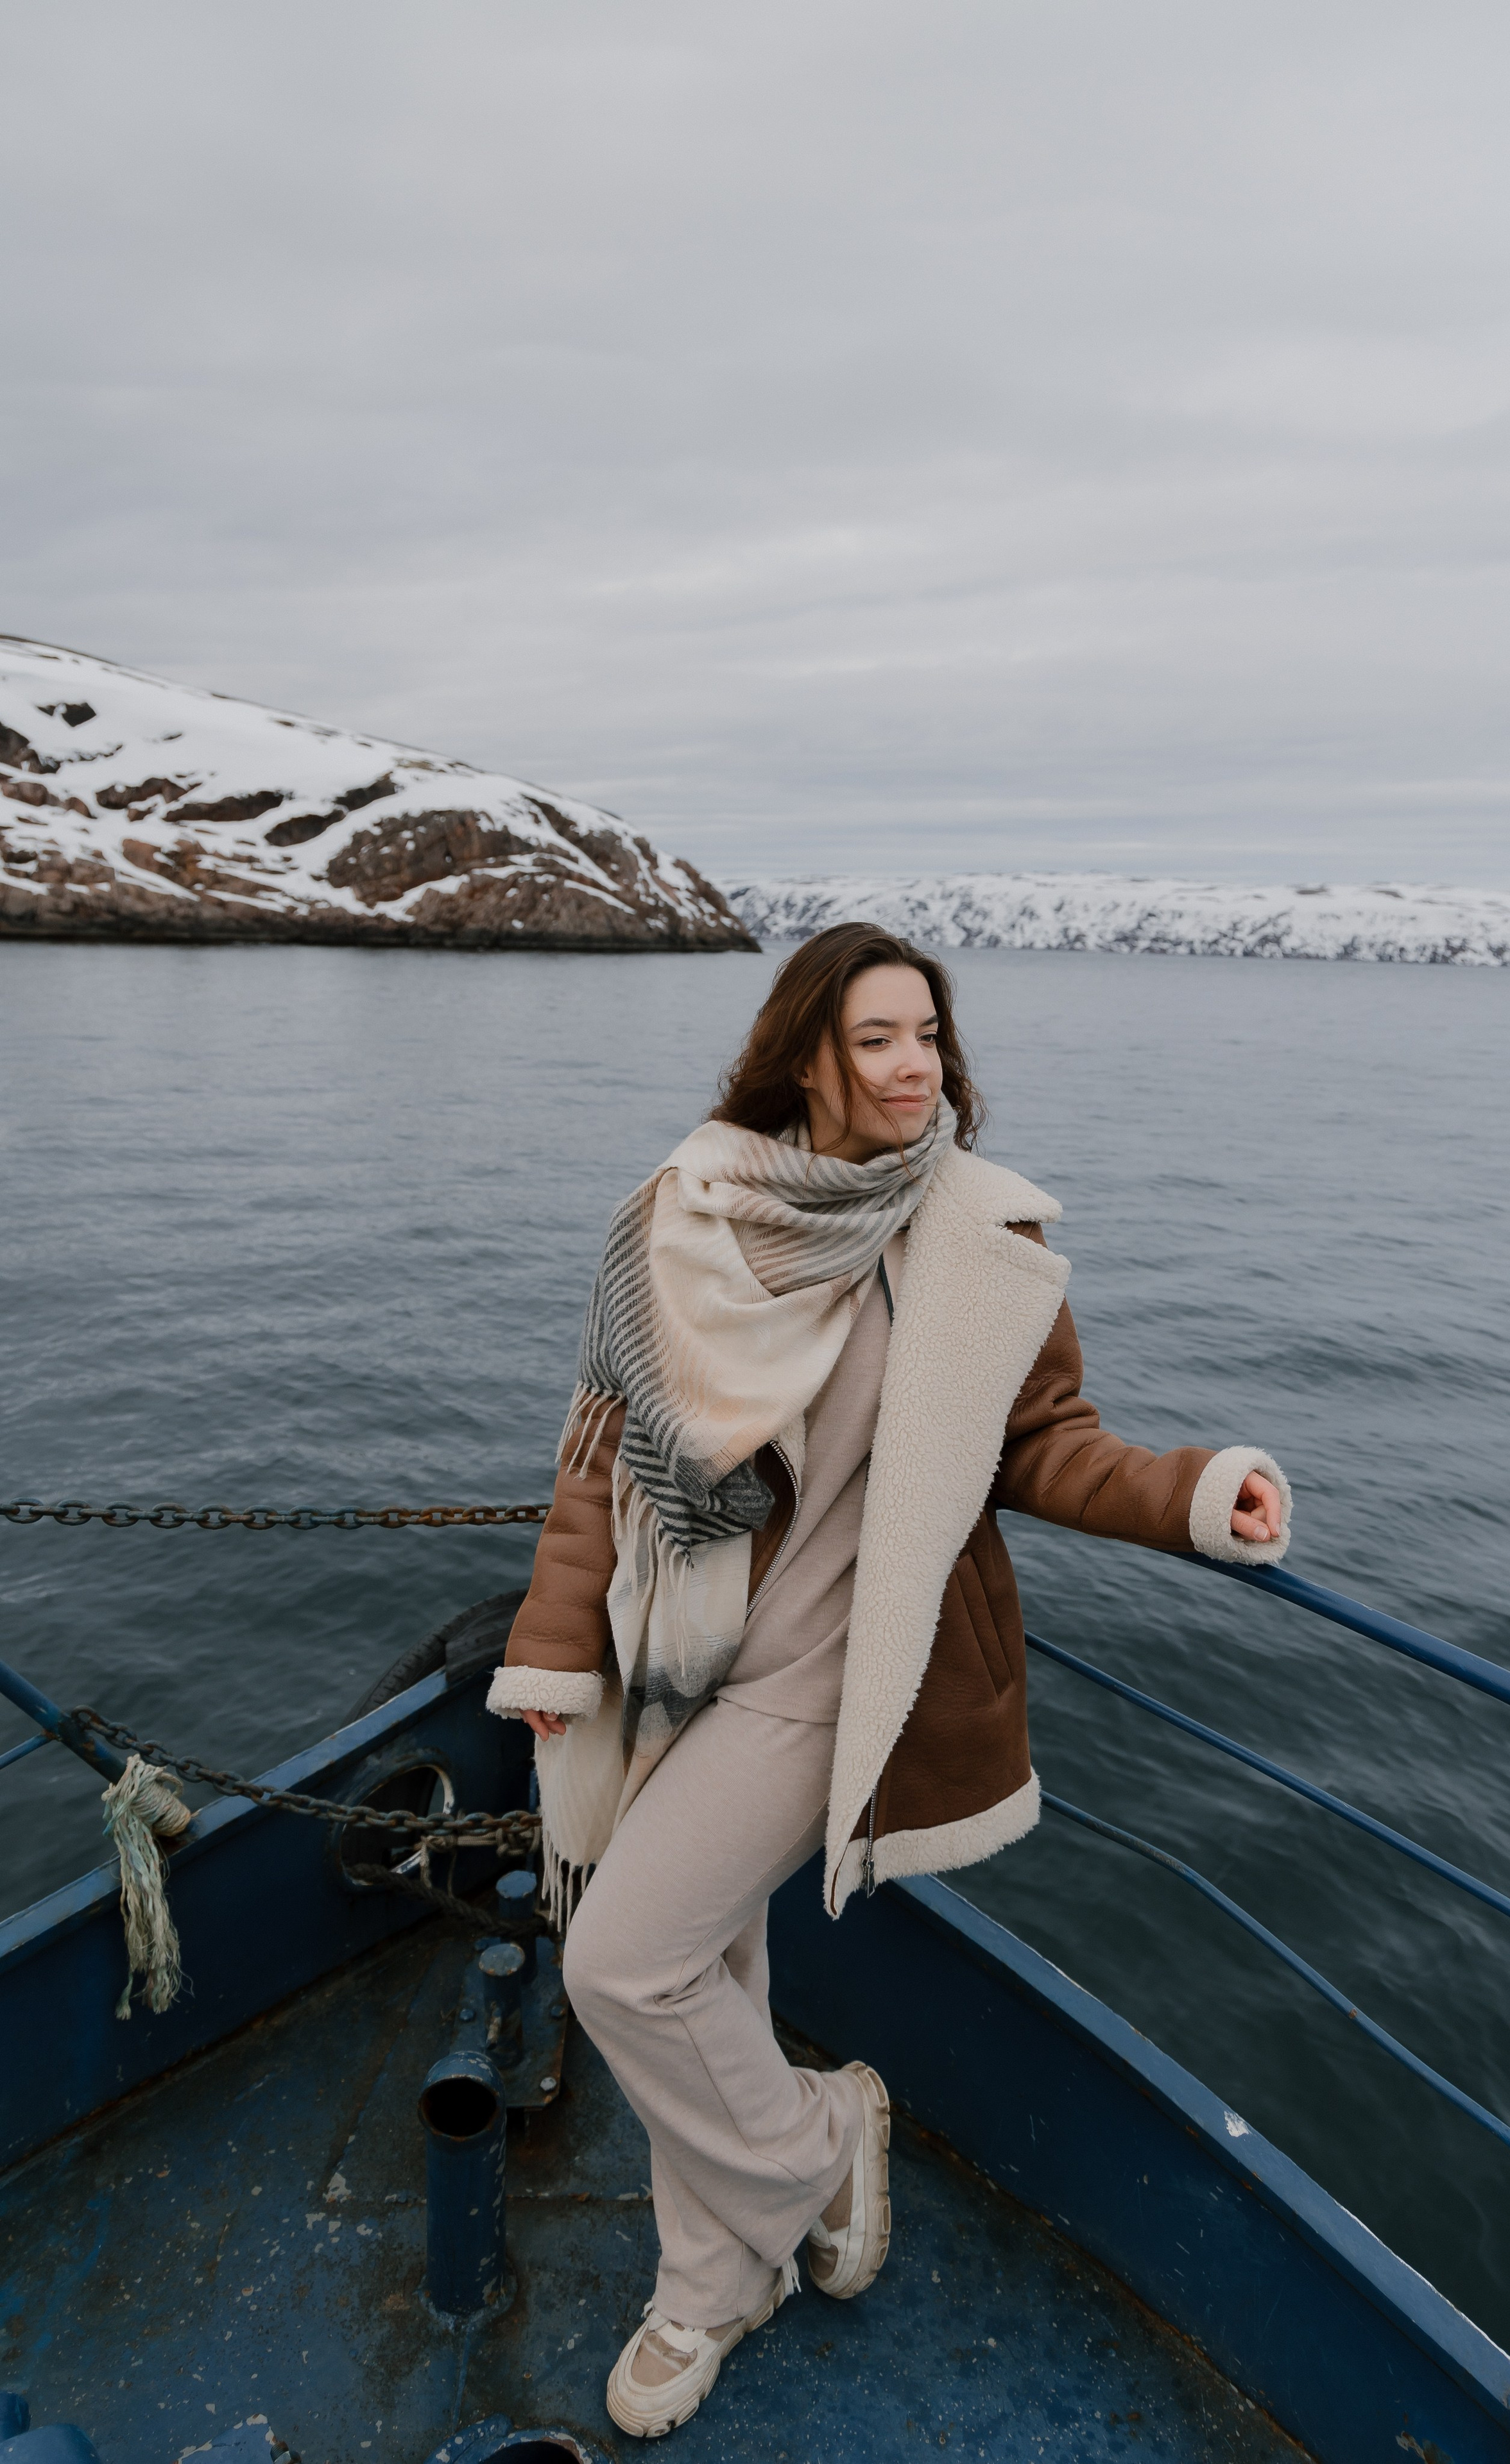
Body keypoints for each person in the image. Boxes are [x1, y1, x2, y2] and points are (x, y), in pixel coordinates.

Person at [486, 921, 1291, 2440]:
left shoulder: (980, 1243)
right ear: (807, 1056)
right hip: (676, 1649)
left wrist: (1199, 1493)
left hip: (837, 1681)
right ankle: (712, 2282)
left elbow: (1048, 1444)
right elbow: (601, 1442)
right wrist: (550, 1648)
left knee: (620, 1963)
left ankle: (812, 2142)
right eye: (877, 1037)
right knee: (707, 1963)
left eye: (929, 1032)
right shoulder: (689, 1211)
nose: (915, 1062)